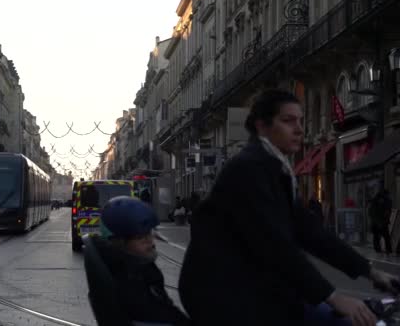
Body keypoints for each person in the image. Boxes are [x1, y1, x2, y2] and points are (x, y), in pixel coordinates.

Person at [178, 90, 399, 326]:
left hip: (252, 285)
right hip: (223, 293)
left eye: (301, 121)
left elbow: (312, 233)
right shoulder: (248, 168)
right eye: (288, 121)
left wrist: (369, 271)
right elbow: (274, 245)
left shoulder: (274, 168)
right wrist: (332, 296)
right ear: (262, 126)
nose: (299, 129)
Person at [86, 197, 190, 325]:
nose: (150, 241)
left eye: (149, 233)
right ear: (118, 242)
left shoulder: (142, 269)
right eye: (140, 237)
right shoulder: (129, 284)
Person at [368, 187, 393, 254]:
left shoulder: (375, 200)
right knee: (386, 236)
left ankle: (378, 249)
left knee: (377, 237)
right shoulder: (386, 200)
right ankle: (388, 250)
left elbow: (371, 212)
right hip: (381, 222)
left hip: (376, 222)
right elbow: (387, 211)